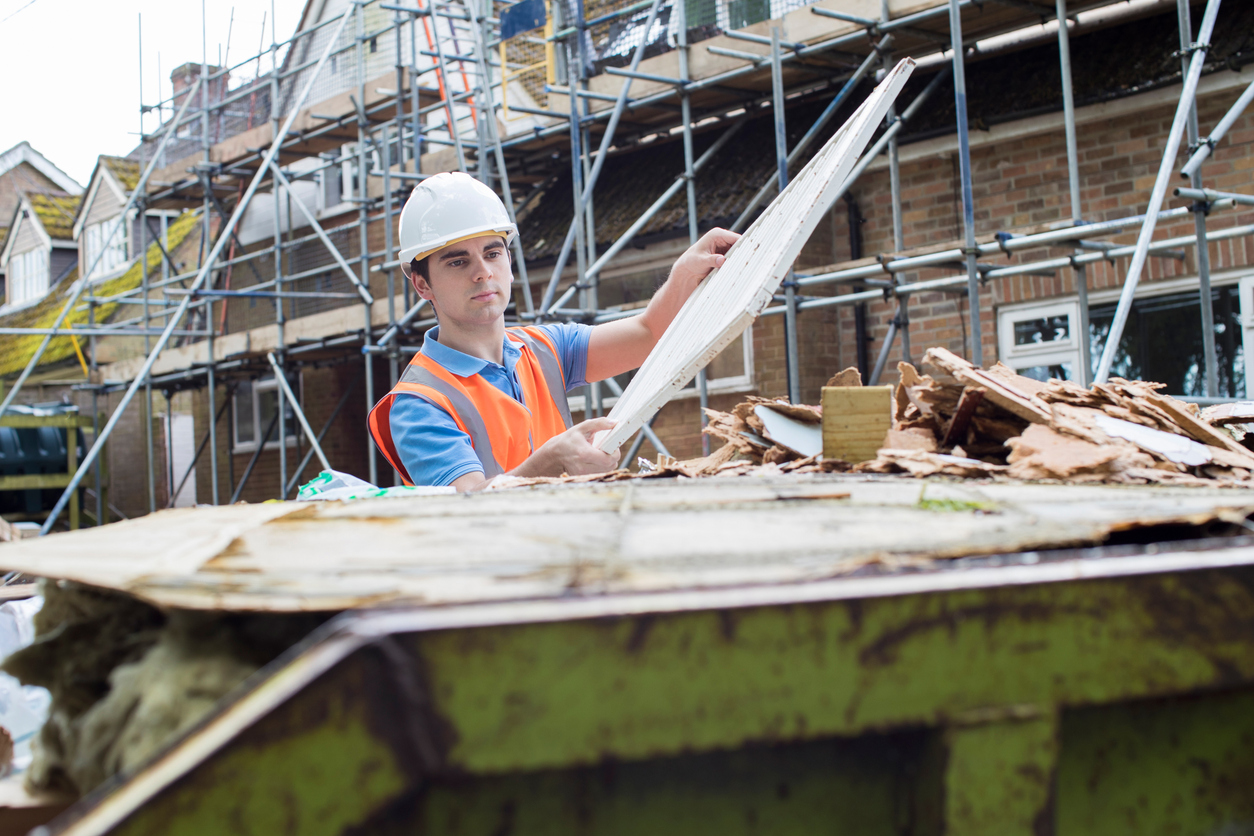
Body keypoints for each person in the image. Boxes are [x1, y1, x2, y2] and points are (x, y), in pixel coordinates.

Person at [368, 172, 738, 491]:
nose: (482, 272)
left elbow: (647, 332)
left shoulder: (545, 347)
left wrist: (684, 275)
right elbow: (470, 507)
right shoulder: (419, 403)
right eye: (458, 261)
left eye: (493, 253)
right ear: (422, 285)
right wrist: (551, 461)